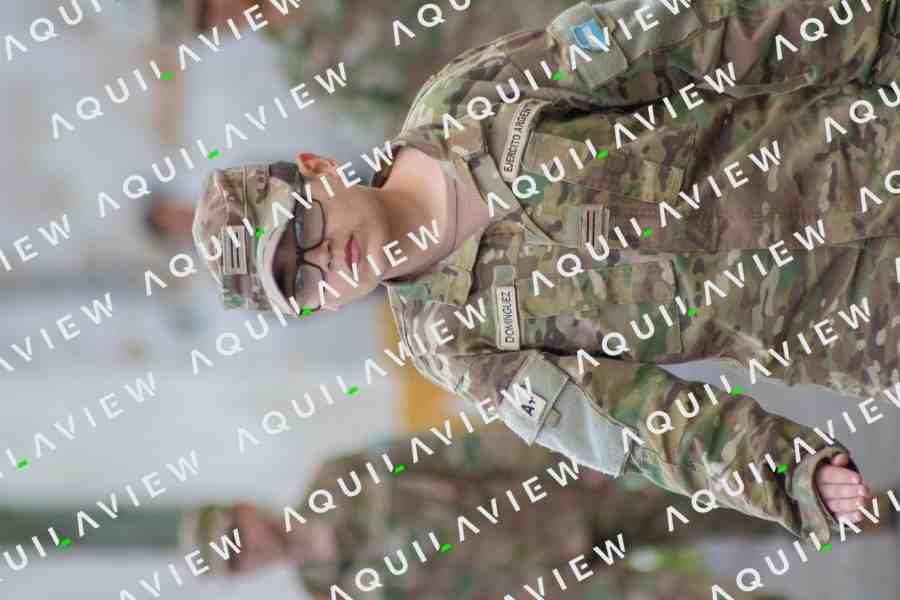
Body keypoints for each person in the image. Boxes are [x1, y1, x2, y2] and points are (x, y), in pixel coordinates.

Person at [192, 0, 900, 545]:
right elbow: (634, 423)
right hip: (859, 323)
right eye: (301, 283)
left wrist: (871, 28)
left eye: (302, 230)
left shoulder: (466, 102)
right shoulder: (454, 344)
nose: (323, 261)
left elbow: (681, 36)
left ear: (318, 169)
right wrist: (784, 472)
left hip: (861, 145)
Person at [184, 423, 800, 599]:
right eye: (237, 561)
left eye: (237, 535)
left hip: (560, 507)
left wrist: (560, 454)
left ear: (246, 509)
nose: (250, 549)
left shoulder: (338, 477)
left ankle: (834, 507)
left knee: (720, 504)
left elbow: (458, 454)